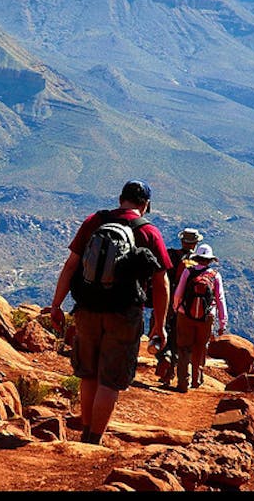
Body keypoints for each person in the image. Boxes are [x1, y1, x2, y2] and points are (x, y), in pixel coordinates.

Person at [50, 180, 172, 445]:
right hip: (124, 314)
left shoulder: (95, 221)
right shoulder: (149, 232)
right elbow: (161, 282)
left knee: (89, 374)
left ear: (120, 199)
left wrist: (56, 304)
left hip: (87, 308)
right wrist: (159, 324)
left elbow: (71, 265)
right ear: (146, 205)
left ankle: (84, 433)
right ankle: (94, 441)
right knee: (110, 380)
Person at [171, 243, 227, 392]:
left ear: (197, 258)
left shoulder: (188, 272)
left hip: (185, 316)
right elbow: (220, 299)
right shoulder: (215, 276)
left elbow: (178, 293)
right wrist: (223, 323)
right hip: (206, 318)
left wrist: (177, 308)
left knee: (183, 348)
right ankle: (197, 379)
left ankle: (182, 382)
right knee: (200, 348)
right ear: (209, 260)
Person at [154, 228, 203, 386]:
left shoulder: (171, 255)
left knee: (158, 329)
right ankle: (170, 374)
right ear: (195, 243)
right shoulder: (198, 262)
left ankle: (164, 357)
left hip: (168, 300)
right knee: (178, 338)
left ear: (182, 241)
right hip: (187, 307)